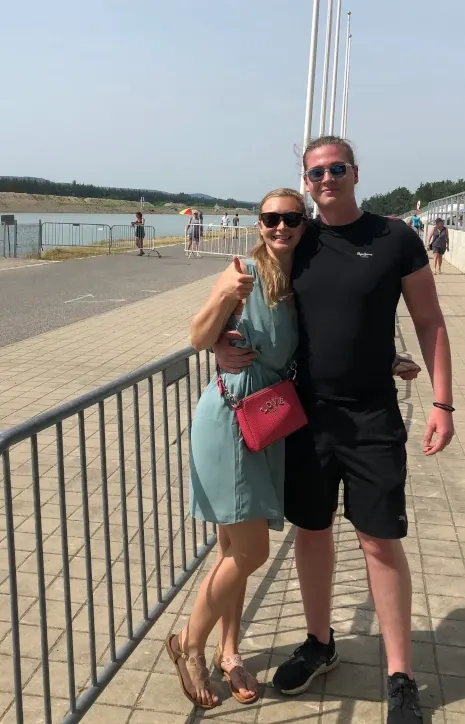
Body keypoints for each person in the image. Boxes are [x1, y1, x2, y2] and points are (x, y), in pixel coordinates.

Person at [215, 136, 454, 724]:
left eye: (336, 168)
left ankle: (401, 677)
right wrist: (221, 343)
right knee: (312, 531)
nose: (326, 179)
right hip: (307, 415)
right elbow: (248, 299)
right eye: (316, 172)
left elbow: (429, 320)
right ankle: (319, 643)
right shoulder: (299, 238)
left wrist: (443, 403)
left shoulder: (394, 238)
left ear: (355, 173)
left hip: (372, 417)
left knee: (379, 540)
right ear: (305, 180)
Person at [166, 188, 306, 708]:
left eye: (291, 218)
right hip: (230, 416)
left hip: (266, 417)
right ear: (260, 223)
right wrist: (224, 297)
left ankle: (229, 651)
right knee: (252, 550)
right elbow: (198, 335)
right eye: (270, 218)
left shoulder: (299, 280)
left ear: (304, 224)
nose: (280, 226)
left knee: (233, 551)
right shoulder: (243, 272)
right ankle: (189, 643)